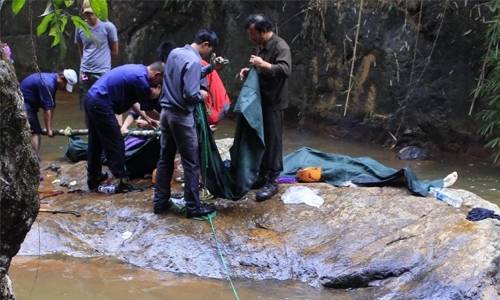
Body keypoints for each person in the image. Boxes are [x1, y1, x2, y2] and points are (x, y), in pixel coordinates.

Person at [153, 29, 226, 218]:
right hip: (181, 117)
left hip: (166, 114)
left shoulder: (176, 53)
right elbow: (190, 94)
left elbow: (185, 75)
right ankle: (193, 206)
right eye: (209, 51)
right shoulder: (193, 60)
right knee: (191, 163)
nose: (208, 54)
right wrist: (201, 95)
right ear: (205, 45)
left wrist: (210, 68)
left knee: (165, 158)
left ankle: (160, 201)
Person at [84, 62, 164, 193]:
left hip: (92, 98)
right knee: (115, 141)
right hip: (101, 102)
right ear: (157, 74)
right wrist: (167, 119)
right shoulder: (142, 80)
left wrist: (148, 119)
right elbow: (148, 109)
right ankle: (121, 180)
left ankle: (94, 177)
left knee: (95, 141)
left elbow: (134, 103)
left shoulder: (138, 70)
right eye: (159, 81)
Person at [239, 14, 292, 202]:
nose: (251, 38)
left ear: (264, 31)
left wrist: (263, 64)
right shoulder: (260, 46)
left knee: (273, 140)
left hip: (274, 102)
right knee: (260, 137)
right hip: (260, 100)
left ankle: (272, 180)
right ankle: (261, 175)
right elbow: (261, 69)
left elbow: (285, 70)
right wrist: (250, 70)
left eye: (253, 34)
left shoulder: (280, 46)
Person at [75, 0, 119, 119]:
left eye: (91, 13)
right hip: (85, 72)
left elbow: (115, 51)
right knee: (86, 104)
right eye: (86, 13)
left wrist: (103, 61)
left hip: (102, 71)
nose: (89, 16)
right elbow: (81, 49)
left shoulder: (108, 27)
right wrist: (84, 64)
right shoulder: (80, 26)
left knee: (107, 101)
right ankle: (91, 133)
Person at [20, 70, 78, 160]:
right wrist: (49, 130)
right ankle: (34, 159)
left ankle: (35, 156)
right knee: (35, 131)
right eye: (65, 85)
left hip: (30, 104)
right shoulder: (48, 85)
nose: (64, 88)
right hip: (23, 104)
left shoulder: (52, 80)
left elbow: (51, 106)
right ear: (61, 78)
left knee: (36, 130)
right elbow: (46, 110)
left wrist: (49, 128)